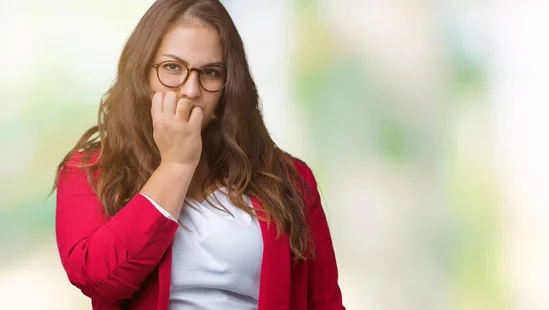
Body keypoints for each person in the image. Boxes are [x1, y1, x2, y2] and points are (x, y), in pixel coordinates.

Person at [52, 0, 345, 309]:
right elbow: (97, 279)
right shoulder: (90, 170)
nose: (191, 90)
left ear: (229, 85)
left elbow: (325, 302)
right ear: (141, 74)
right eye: (172, 68)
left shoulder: (288, 178)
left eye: (210, 72)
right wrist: (176, 164)